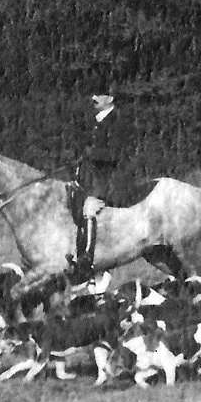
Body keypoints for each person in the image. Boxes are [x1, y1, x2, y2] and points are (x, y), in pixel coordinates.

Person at [67, 93, 126, 279]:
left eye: (99, 94)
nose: (93, 98)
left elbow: (115, 154)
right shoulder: (96, 121)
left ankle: (86, 260)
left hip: (112, 180)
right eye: (93, 94)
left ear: (110, 98)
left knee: (89, 209)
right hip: (93, 180)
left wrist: (91, 153)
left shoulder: (117, 121)